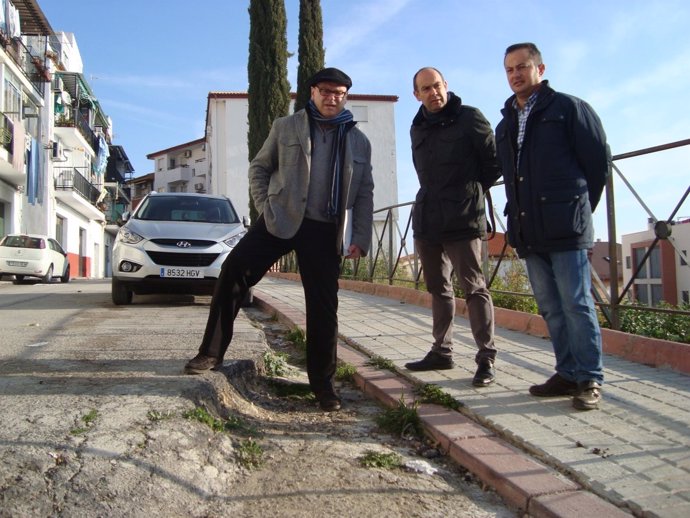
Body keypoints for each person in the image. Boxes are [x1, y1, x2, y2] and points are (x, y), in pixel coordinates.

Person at [184, 67, 374, 412]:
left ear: (346, 97)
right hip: (280, 219)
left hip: (325, 229)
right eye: (326, 91)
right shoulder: (287, 126)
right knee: (234, 271)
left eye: (340, 93)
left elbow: (364, 192)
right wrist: (266, 206)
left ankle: (323, 385)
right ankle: (211, 352)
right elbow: (259, 167)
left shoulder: (358, 141)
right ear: (313, 92)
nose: (333, 98)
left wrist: (359, 236)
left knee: (323, 307)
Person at [495, 43, 610, 410]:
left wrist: (579, 210)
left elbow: (597, 164)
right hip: (529, 230)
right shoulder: (506, 122)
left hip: (567, 226)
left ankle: (589, 378)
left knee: (577, 303)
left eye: (522, 67)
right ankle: (567, 372)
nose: (515, 74)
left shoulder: (569, 108)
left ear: (540, 68)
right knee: (550, 306)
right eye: (509, 69)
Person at [404, 67, 501, 387]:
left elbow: (493, 163)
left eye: (437, 86)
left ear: (446, 86)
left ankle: (486, 357)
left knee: (474, 288)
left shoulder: (470, 118)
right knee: (438, 289)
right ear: (416, 95)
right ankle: (441, 352)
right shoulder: (416, 126)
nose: (434, 93)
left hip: (463, 217)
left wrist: (469, 192)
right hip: (428, 219)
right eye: (426, 89)